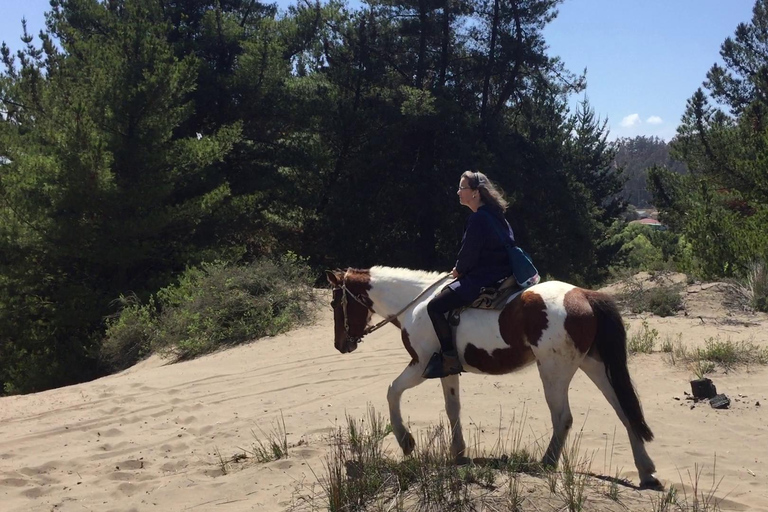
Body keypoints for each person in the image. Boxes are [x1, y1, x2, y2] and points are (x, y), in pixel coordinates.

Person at [422, 171, 517, 379]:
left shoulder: (478, 218)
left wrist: (459, 270)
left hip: (484, 279)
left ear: (475, 193)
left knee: (435, 306)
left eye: (462, 188)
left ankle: (449, 359)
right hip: (503, 275)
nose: (458, 192)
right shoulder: (497, 216)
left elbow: (469, 253)